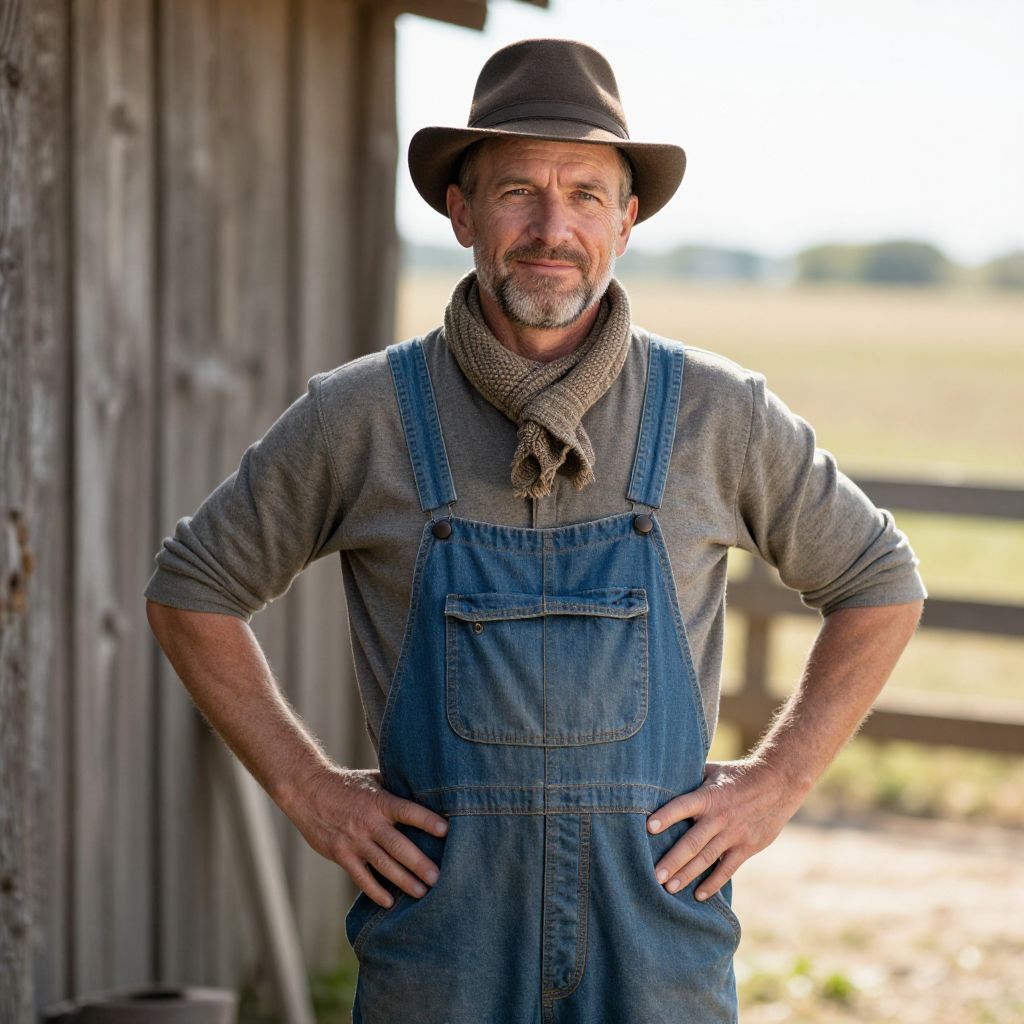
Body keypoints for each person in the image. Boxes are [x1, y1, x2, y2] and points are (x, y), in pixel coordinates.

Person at [145, 38, 925, 1024]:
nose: (552, 228)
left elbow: (880, 581)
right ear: (460, 209)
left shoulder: (715, 413)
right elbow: (190, 589)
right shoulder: (362, 415)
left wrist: (778, 781)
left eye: (587, 195)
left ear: (627, 221)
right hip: (443, 941)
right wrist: (309, 790)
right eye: (517, 191)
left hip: (655, 937)